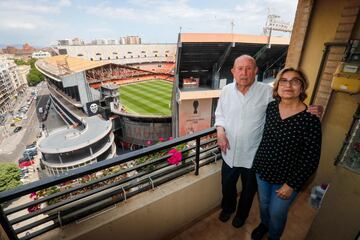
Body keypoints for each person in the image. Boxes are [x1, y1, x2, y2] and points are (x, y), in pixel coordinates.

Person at [215, 55, 321, 229]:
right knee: (227, 186)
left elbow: (291, 104)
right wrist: (220, 132)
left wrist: (317, 108)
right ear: (233, 71)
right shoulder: (226, 90)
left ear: (256, 71)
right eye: (240, 68)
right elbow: (220, 114)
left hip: (254, 156)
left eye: (249, 68)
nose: (244, 73)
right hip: (229, 152)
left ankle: (241, 216)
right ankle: (228, 208)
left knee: (249, 192)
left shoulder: (268, 92)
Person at [251, 67, 322, 240]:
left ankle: (273, 237)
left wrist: (291, 185)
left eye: (294, 81)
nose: (288, 85)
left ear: (302, 87)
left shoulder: (310, 118)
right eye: (283, 81)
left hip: (286, 179)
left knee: (277, 213)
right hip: (262, 170)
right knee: (264, 205)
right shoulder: (271, 108)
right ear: (277, 87)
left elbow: (311, 159)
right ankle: (263, 224)